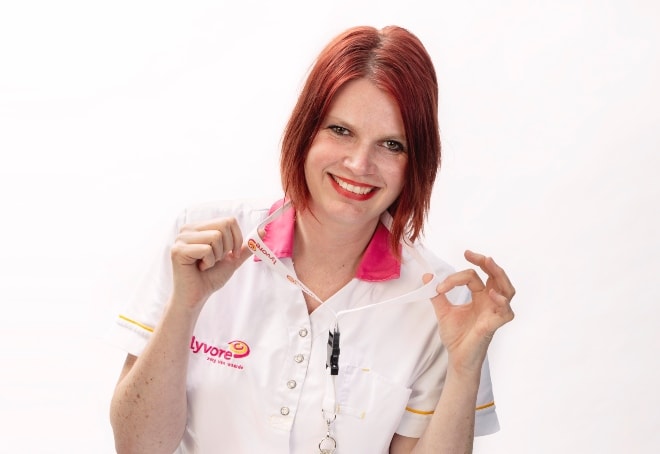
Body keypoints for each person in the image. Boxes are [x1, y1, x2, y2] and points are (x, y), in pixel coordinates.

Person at [109, 25, 515, 454]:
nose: (359, 164)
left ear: (417, 163)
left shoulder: (438, 299)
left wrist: (464, 367)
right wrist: (185, 306)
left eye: (391, 144)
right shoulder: (200, 244)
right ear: (305, 130)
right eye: (340, 130)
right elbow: (138, 447)